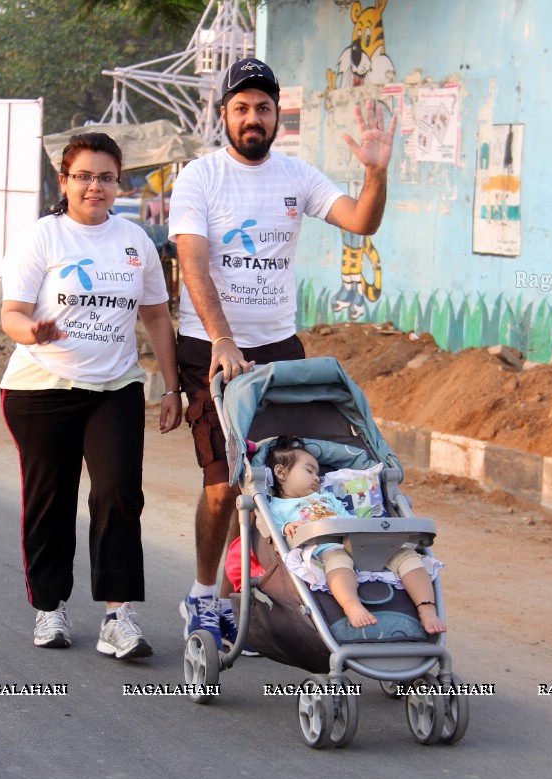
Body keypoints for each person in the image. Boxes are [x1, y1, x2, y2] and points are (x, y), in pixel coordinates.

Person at [168, 56, 397, 644]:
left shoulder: (296, 176)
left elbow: (361, 221)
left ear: (276, 118)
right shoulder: (199, 178)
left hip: (278, 349)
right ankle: (203, 597)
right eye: (241, 108)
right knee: (223, 484)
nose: (252, 118)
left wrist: (375, 174)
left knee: (288, 479)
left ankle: (270, 590)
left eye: (263, 108)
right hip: (209, 348)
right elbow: (191, 261)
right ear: (224, 115)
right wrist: (222, 337)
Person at [0, 132, 182, 660]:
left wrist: (171, 386)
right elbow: (11, 313)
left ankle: (118, 616)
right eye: (83, 176)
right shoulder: (42, 238)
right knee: (50, 499)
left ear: (118, 181)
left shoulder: (135, 242)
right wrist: (32, 331)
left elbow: (155, 316)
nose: (94, 187)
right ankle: (50, 608)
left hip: (115, 388)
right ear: (64, 181)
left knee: (118, 494)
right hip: (41, 389)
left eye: (105, 177)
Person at [265, 436, 445, 635]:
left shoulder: (328, 498)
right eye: (309, 471)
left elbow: (348, 519)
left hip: (356, 543)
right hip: (327, 547)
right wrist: (287, 527)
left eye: (318, 473)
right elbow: (272, 527)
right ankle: (352, 605)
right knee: (337, 560)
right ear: (281, 472)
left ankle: (427, 609)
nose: (317, 477)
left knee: (406, 556)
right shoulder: (276, 506)